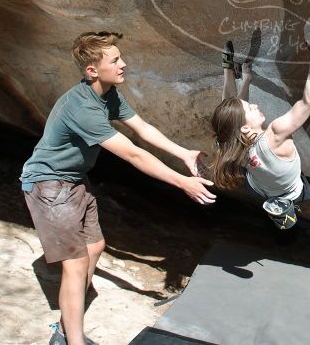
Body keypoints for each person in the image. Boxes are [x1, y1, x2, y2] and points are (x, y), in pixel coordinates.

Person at [20, 31, 216, 345]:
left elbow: (143, 128)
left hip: (73, 181)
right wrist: (182, 183)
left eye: (120, 57)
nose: (123, 64)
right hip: (48, 184)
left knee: (95, 247)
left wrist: (184, 154)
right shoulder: (82, 108)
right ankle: (71, 339)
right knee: (75, 264)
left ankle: (66, 326)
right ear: (92, 71)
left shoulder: (108, 94)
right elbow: (133, 153)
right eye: (115, 60)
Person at [208, 21, 310, 218]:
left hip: (259, 187)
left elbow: (234, 112)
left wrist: (246, 82)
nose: (254, 105)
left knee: (231, 111)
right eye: (250, 108)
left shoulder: (231, 143)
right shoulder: (275, 134)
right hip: (290, 192)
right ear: (245, 129)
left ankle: (234, 72)